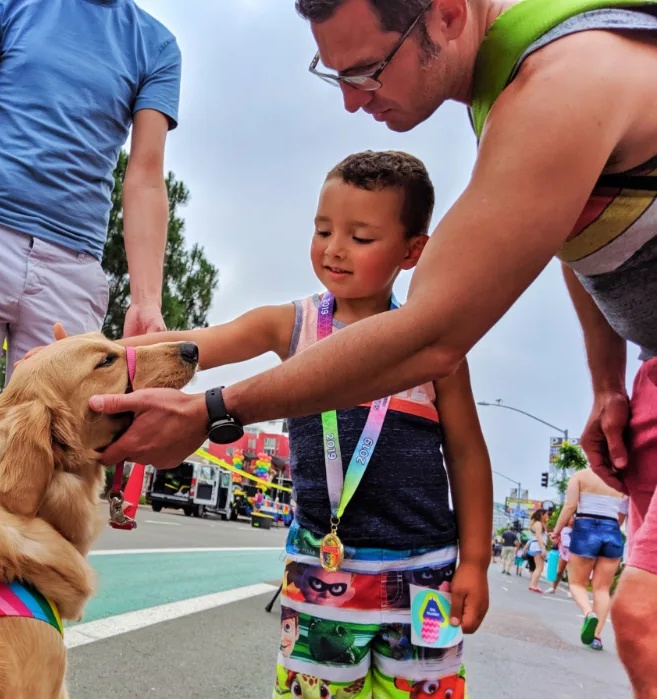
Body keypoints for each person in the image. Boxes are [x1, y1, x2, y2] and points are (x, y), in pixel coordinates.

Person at [85, 2, 657, 692]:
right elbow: (574, 230)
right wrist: (606, 378)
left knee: (642, 621)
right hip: (326, 576)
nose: (354, 101)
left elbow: (434, 351)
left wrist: (212, 410)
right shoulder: (512, 87)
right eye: (335, 78)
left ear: (445, 15)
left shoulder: (560, 80)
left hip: (419, 572)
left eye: (366, 71)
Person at [85, 151, 492, 695]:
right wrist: (91, 354)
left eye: (361, 237)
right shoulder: (291, 324)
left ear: (412, 250)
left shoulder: (434, 347)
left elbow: (466, 454)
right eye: (323, 229)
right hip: (320, 575)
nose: (334, 248)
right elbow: (194, 345)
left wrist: (477, 563)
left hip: (424, 578)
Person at [0, 0, 182, 463]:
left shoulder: (156, 46)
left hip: (72, 267)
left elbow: (146, 176)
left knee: (56, 457)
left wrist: (146, 300)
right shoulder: (3, 4)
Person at [552, 469, 629, 652]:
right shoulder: (621, 480)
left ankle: (589, 614)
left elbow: (570, 506)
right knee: (602, 588)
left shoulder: (580, 476)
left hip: (586, 529)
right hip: (612, 531)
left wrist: (556, 531)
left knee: (577, 583)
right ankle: (596, 637)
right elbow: (622, 514)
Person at [547, 515, 574, 594]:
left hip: (572, 553)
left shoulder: (577, 530)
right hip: (563, 553)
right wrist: (550, 537)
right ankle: (553, 587)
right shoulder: (562, 530)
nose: (572, 520)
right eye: (570, 518)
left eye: (573, 519)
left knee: (571, 572)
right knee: (559, 571)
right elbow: (555, 541)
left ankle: (571, 591)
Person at [526, 509, 550, 593]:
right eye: (546, 514)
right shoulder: (538, 523)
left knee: (539, 567)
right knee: (539, 568)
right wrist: (543, 548)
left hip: (536, 545)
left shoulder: (538, 523)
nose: (547, 516)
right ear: (541, 515)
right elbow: (539, 536)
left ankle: (533, 585)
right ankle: (533, 585)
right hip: (538, 546)